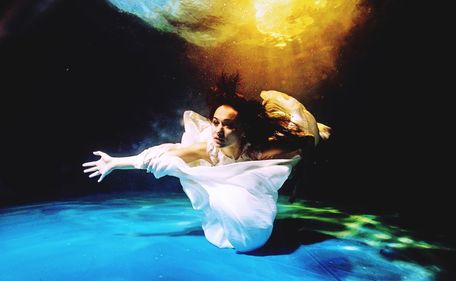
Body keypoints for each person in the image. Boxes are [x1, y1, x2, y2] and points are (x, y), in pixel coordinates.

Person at [82, 73, 331, 252]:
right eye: (215, 122)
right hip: (241, 157)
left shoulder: (261, 149)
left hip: (294, 131)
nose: (218, 131)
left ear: (243, 129)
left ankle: (321, 127)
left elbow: (305, 142)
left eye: (229, 125)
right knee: (180, 161)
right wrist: (115, 162)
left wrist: (304, 167)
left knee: (313, 132)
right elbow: (161, 154)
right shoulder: (209, 148)